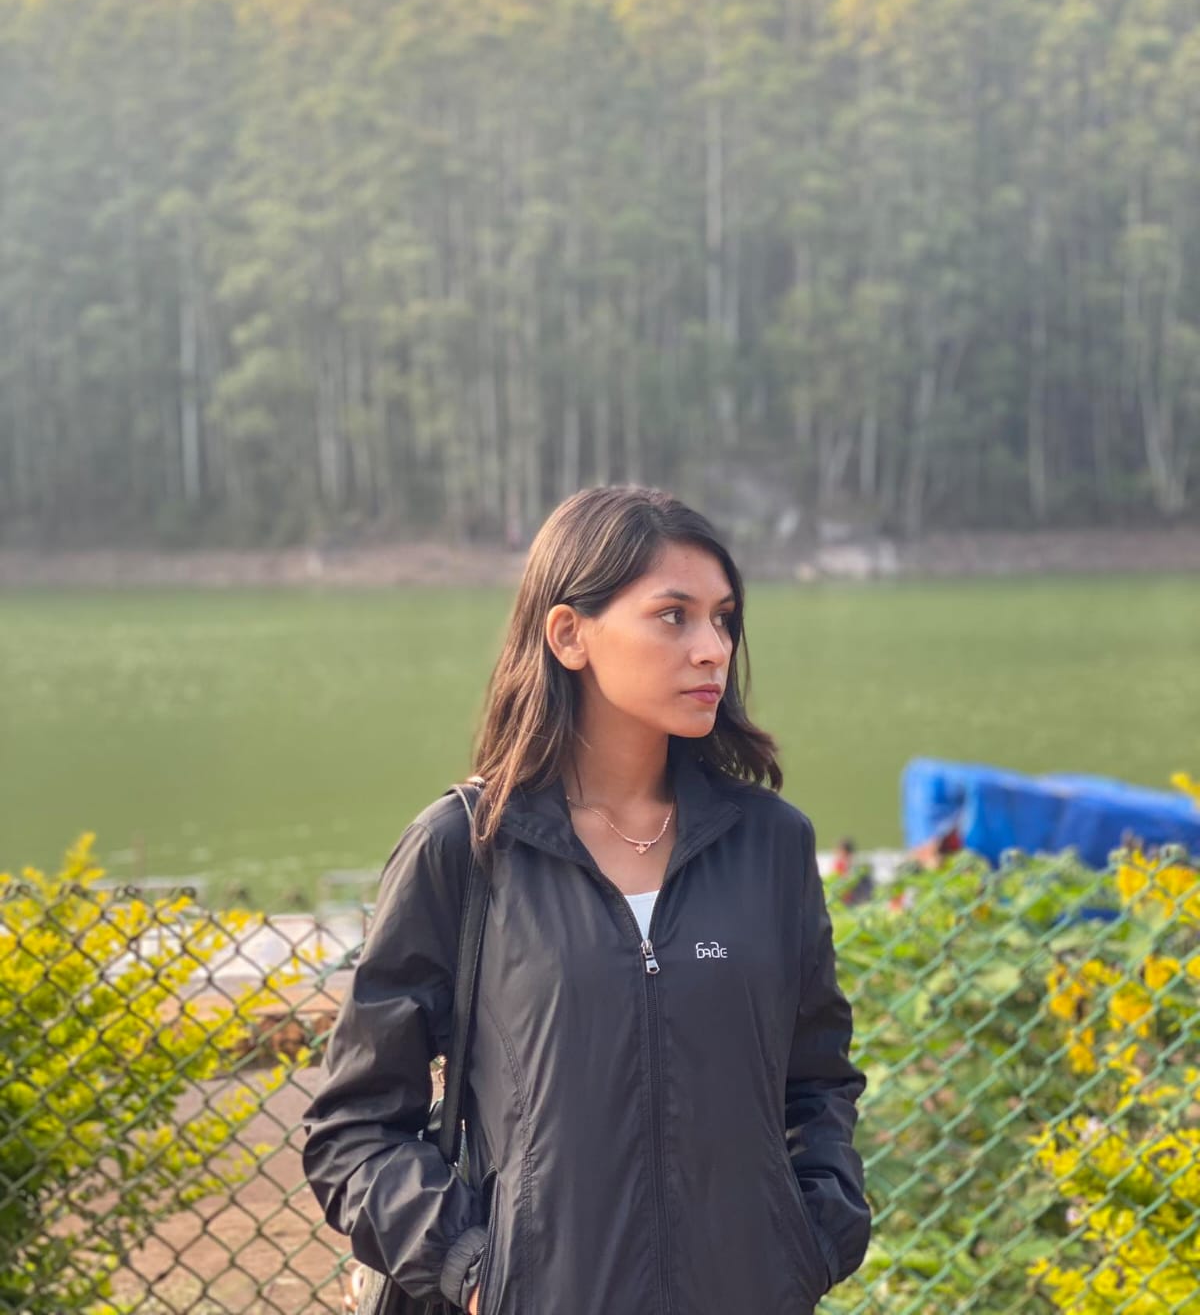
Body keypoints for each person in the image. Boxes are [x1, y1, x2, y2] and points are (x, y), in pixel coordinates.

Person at [302, 484, 871, 1315]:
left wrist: (810, 1241)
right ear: (569, 634)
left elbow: (816, 1084)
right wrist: (476, 1269)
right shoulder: (466, 848)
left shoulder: (770, 845)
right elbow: (353, 1127)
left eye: (723, 618)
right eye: (673, 616)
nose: (712, 648)